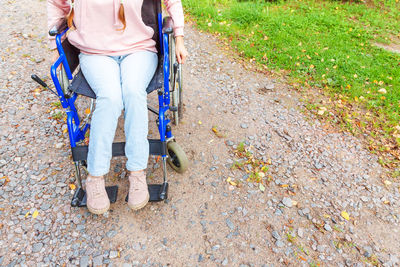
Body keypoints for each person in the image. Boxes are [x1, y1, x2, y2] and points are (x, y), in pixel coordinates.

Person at [47, 0, 188, 214]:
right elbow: (57, 4)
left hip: (139, 49)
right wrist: (54, 47)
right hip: (95, 52)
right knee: (110, 97)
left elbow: (173, 2)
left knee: (133, 92)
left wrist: (179, 38)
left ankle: (137, 172)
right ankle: (95, 177)